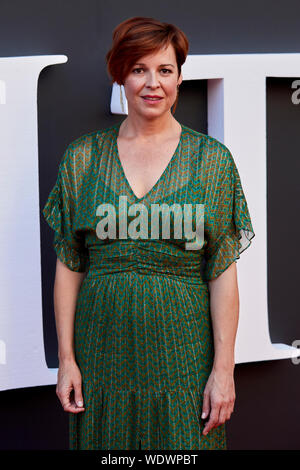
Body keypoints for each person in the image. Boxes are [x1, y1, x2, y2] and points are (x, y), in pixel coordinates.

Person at [42, 16, 255, 450]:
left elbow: (222, 274)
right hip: (101, 356)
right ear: (120, 74)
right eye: (139, 69)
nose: (152, 83)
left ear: (179, 77)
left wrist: (224, 370)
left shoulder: (212, 162)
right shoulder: (82, 159)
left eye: (165, 70)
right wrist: (66, 361)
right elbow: (69, 266)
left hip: (185, 359)